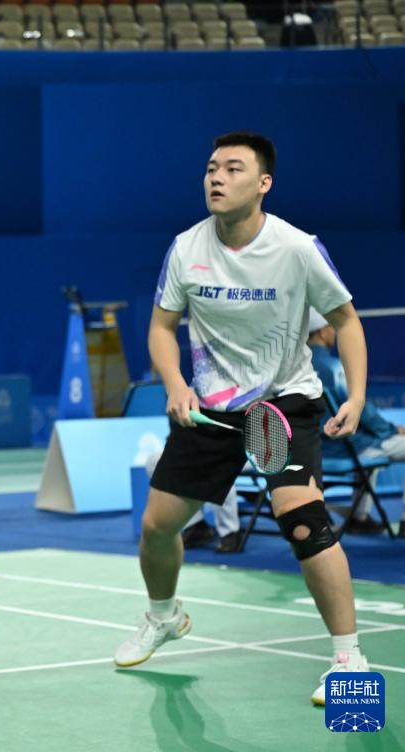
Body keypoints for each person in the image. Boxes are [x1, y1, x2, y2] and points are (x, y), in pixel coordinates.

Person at [114, 131, 371, 707]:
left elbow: (346, 321)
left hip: (285, 401)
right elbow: (161, 328)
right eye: (211, 168)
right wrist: (175, 384)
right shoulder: (186, 247)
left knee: (303, 520)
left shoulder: (297, 248)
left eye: (233, 168)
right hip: (211, 409)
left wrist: (355, 396)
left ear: (263, 183)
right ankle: (164, 616)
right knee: (157, 526)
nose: (217, 177)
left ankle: (349, 659)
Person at [308, 308, 405, 536]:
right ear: (322, 331)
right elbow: (361, 411)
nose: (334, 332)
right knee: (373, 442)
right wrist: (392, 430)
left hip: (310, 449)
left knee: (368, 445)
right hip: (344, 448)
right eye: (331, 327)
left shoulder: (296, 369)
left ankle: (359, 517)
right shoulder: (334, 368)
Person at [145, 448, 242, 553]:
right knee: (154, 461)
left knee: (215, 459)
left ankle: (229, 532)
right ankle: (195, 525)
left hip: (246, 449)